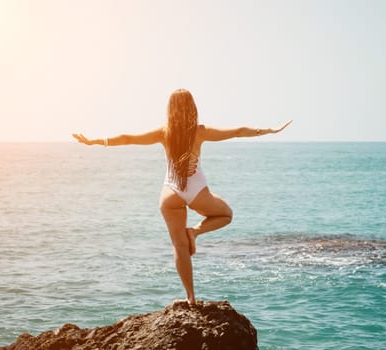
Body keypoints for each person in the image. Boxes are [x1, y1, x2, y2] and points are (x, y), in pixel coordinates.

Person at [73, 89, 292, 305]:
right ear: (193, 107)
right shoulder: (200, 131)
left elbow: (127, 138)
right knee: (226, 214)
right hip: (197, 191)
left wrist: (94, 141)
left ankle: (190, 297)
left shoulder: (163, 133)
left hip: (171, 193)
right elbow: (238, 131)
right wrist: (269, 131)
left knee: (179, 246)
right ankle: (195, 231)